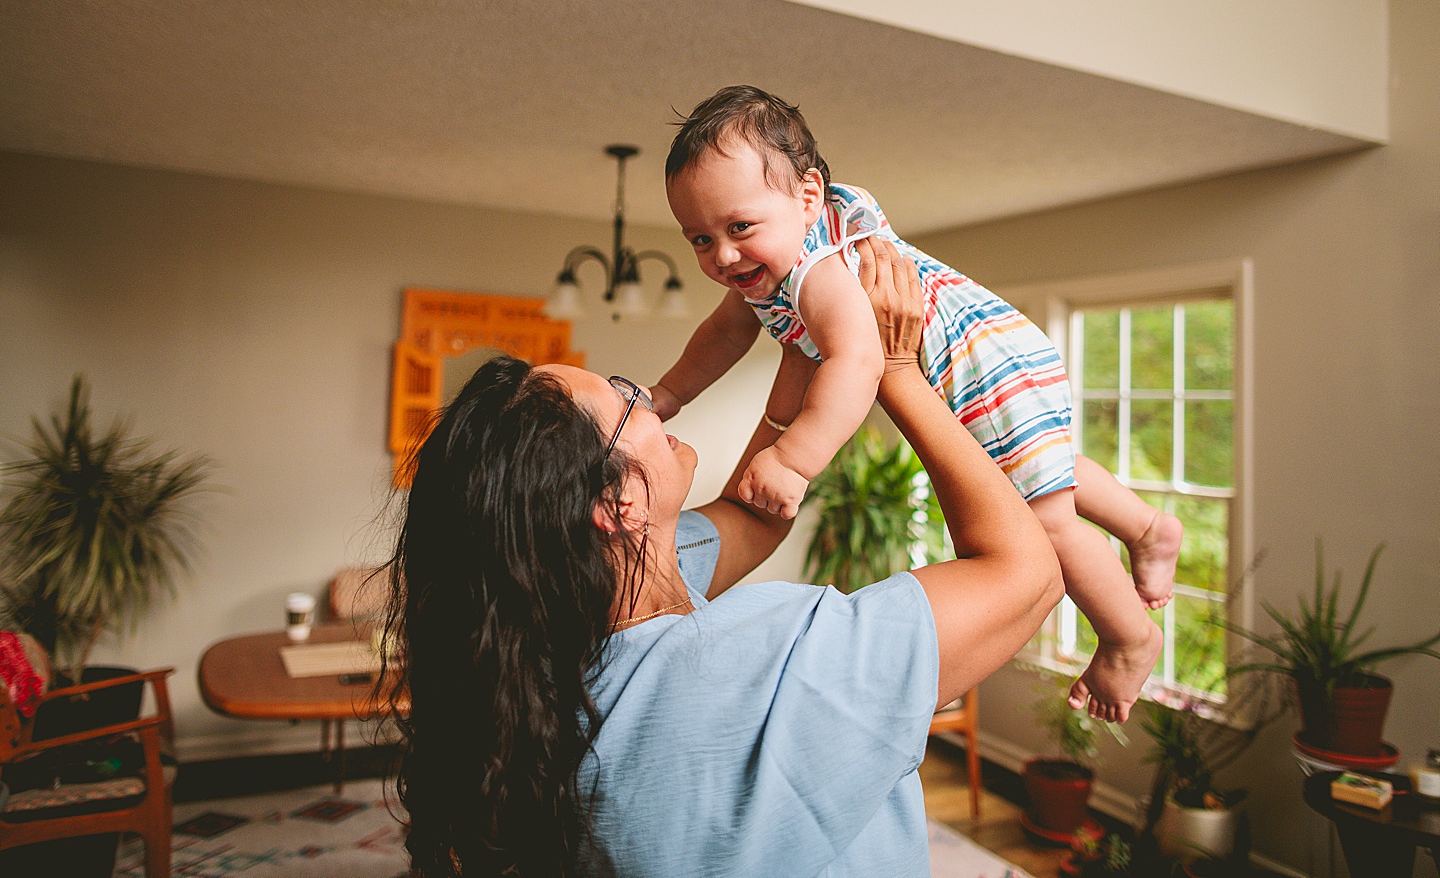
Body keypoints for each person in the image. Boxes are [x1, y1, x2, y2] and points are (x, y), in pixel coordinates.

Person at [379, 238, 1063, 878]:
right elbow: (1026, 575)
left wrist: (797, 374)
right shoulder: (779, 658)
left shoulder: (558, 643)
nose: (646, 399)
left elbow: (749, 519)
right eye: (623, 399)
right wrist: (896, 370)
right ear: (617, 506)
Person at [652, 85, 1178, 722]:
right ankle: (1147, 527)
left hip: (980, 364)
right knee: (1039, 473)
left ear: (808, 196)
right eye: (700, 240)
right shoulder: (772, 266)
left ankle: (1129, 635)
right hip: (994, 352)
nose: (723, 255)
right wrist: (671, 391)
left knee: (1045, 517)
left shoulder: (820, 270)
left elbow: (859, 363)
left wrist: (794, 459)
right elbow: (723, 334)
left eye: (738, 227)